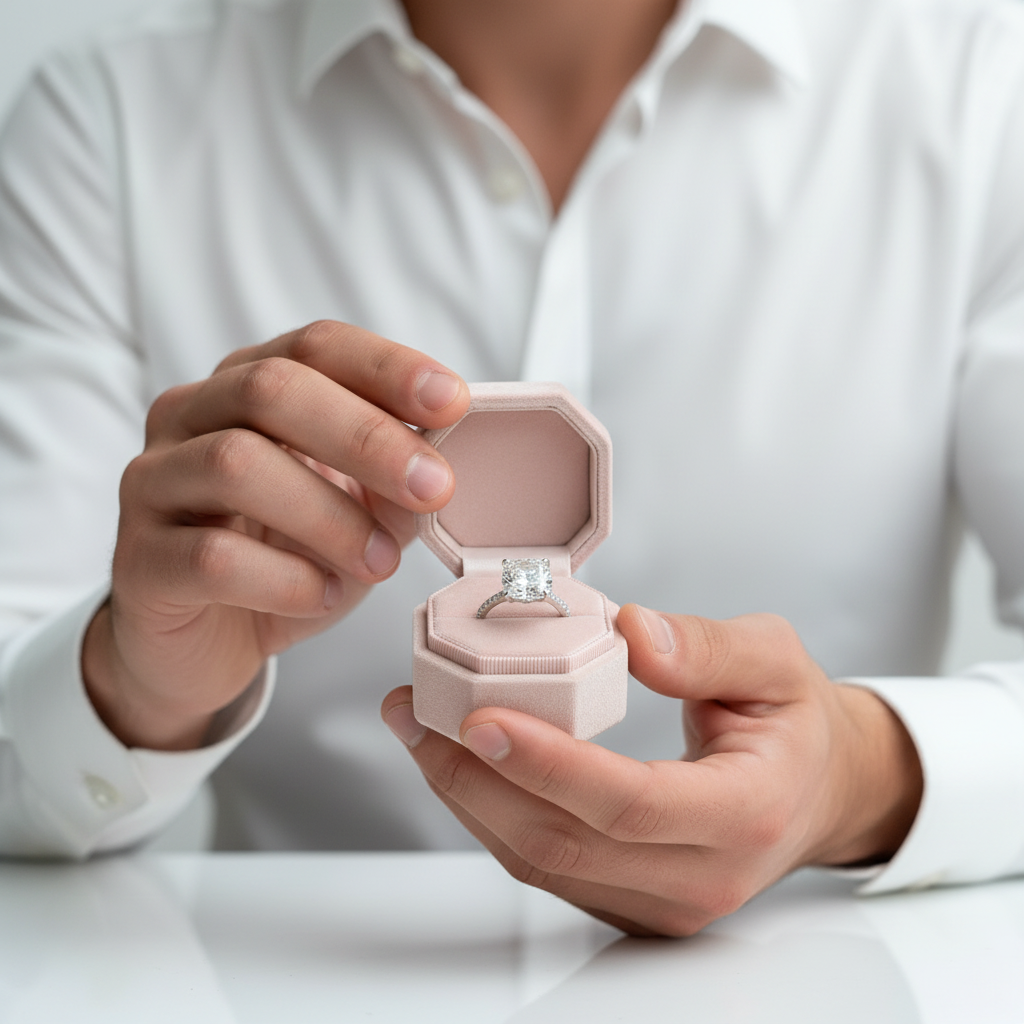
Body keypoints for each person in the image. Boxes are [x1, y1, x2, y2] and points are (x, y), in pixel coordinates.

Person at [1, 0, 1022, 936]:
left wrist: (867, 777)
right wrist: (130, 690)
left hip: (822, 970)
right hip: (311, 977)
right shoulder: (111, 126)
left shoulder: (978, 93)